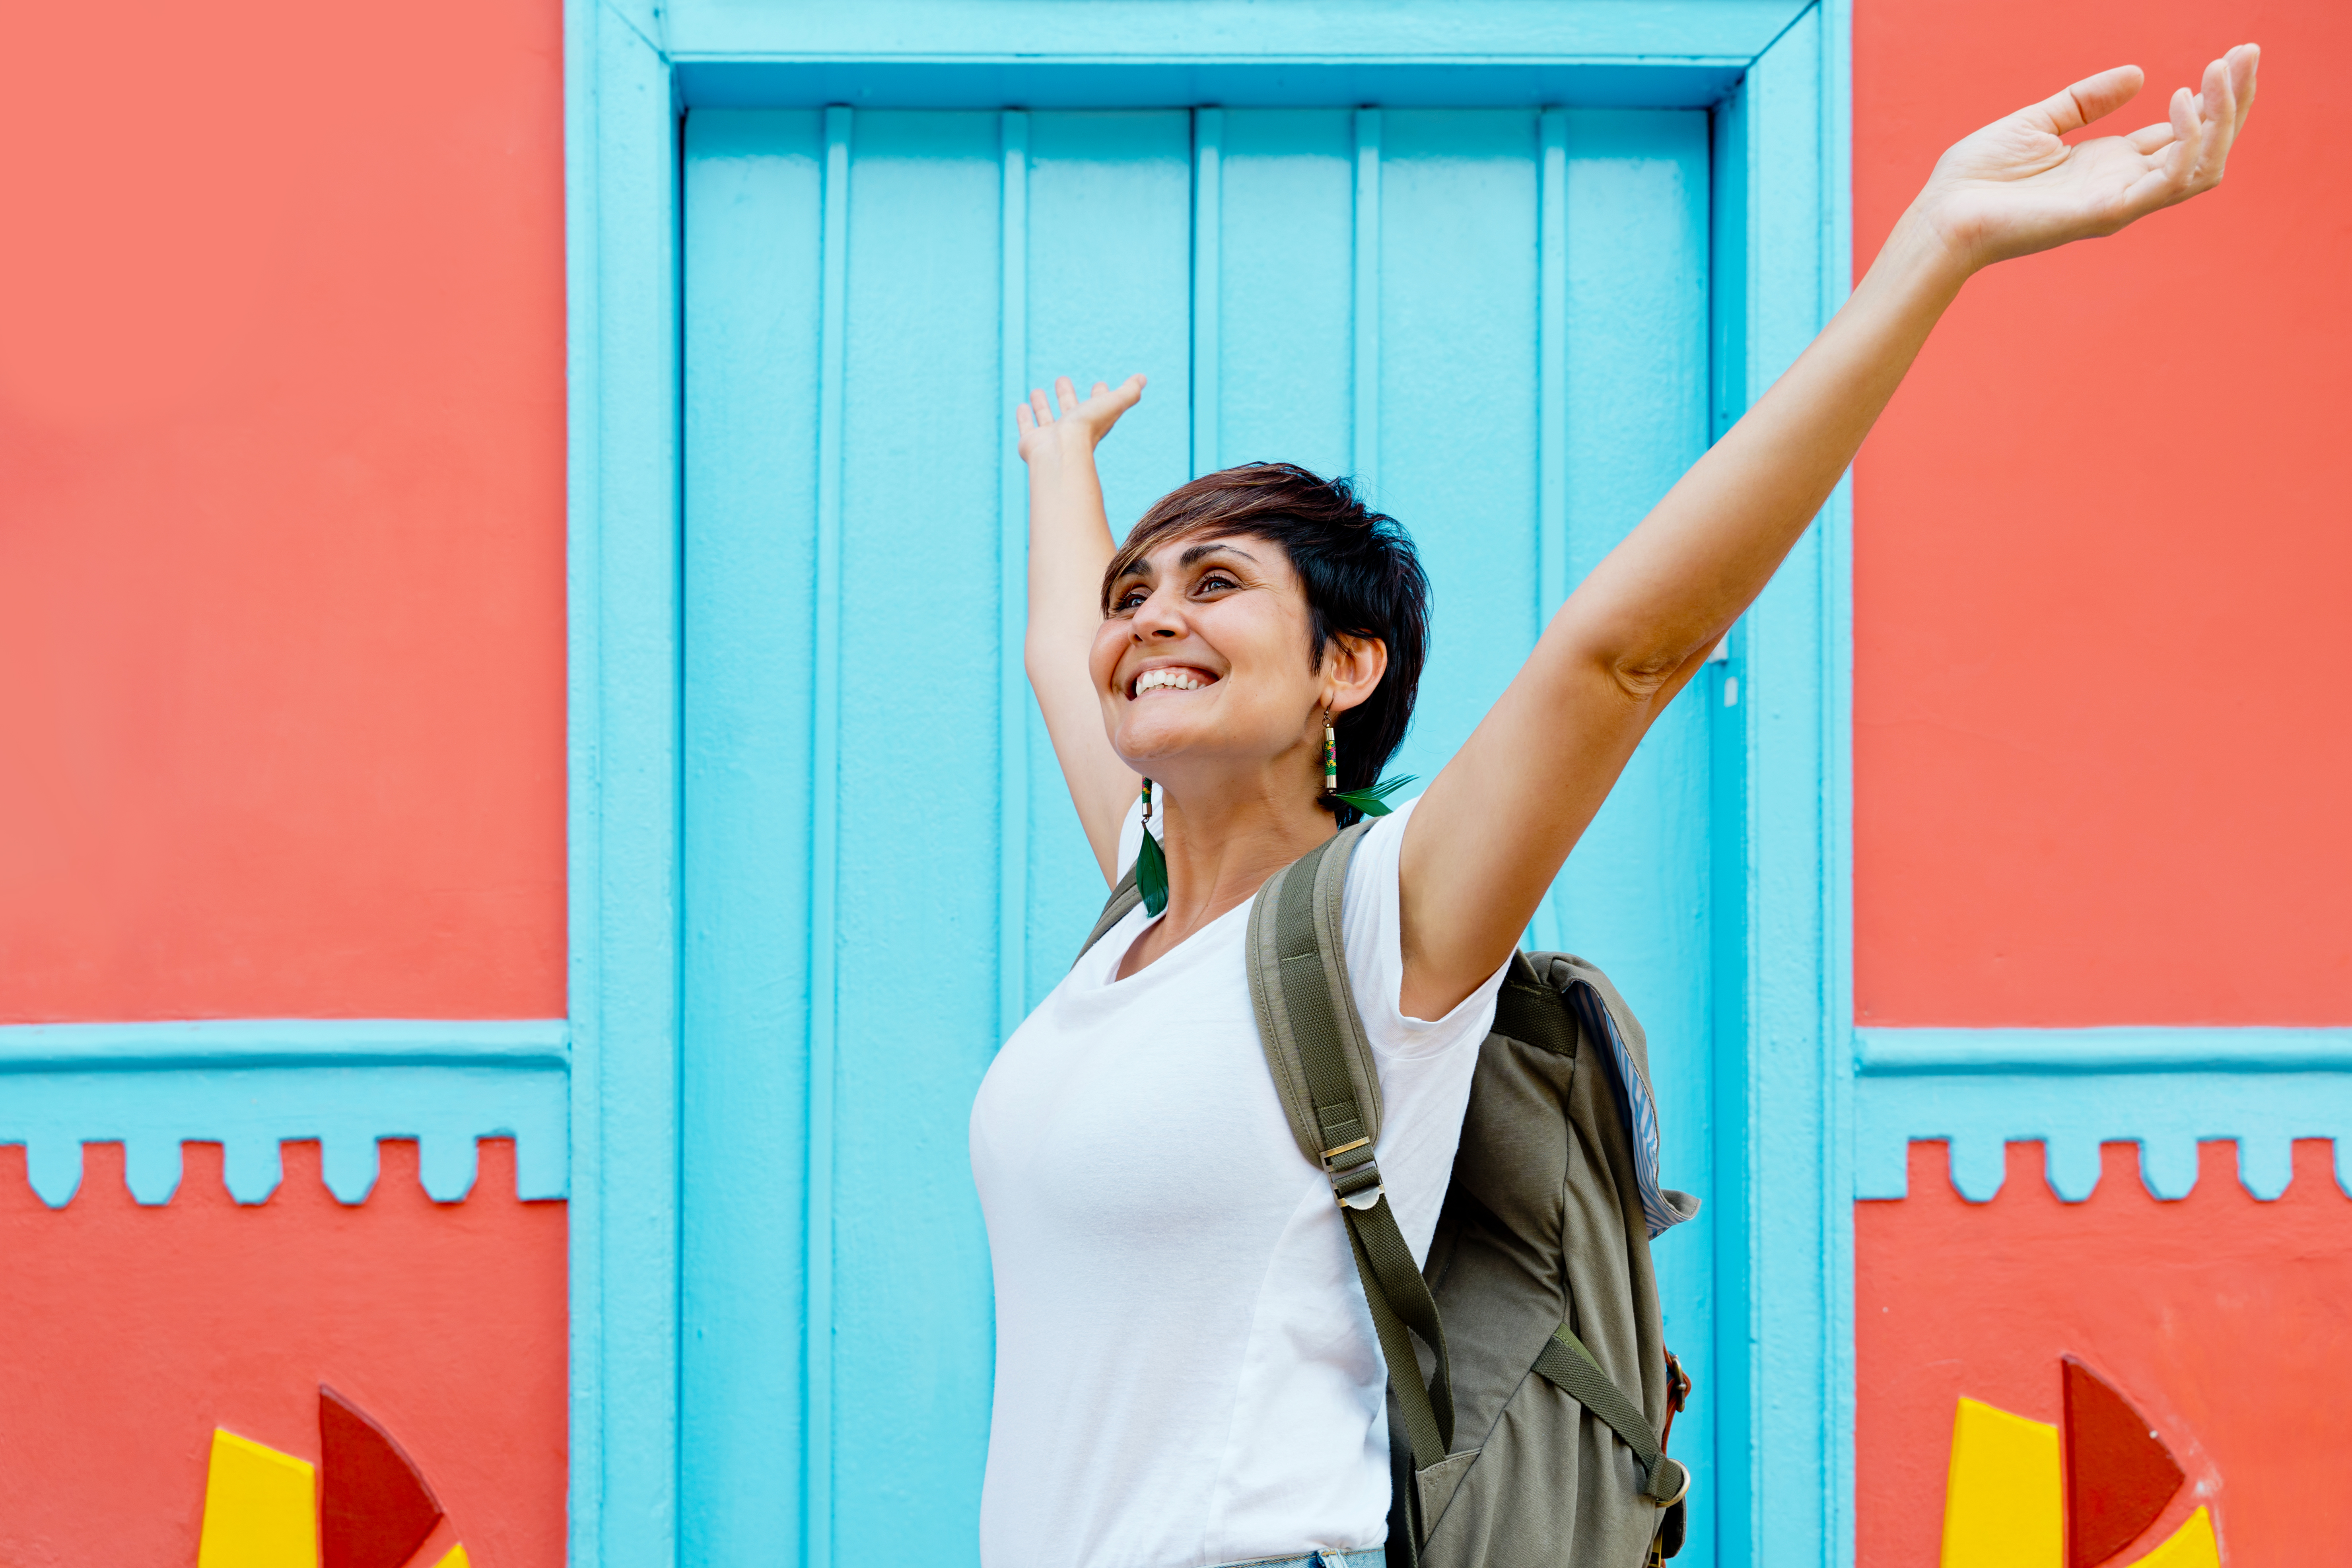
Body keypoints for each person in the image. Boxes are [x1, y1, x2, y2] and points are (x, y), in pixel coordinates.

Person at [968, 46, 2259, 1568]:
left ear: (1345, 670)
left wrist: (1934, 251)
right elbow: (1067, 650)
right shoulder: (1139, 909)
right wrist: (1066, 473)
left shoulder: (1385, 922)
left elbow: (1622, 656)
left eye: (1218, 586)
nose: (1151, 622)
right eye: (1140, 595)